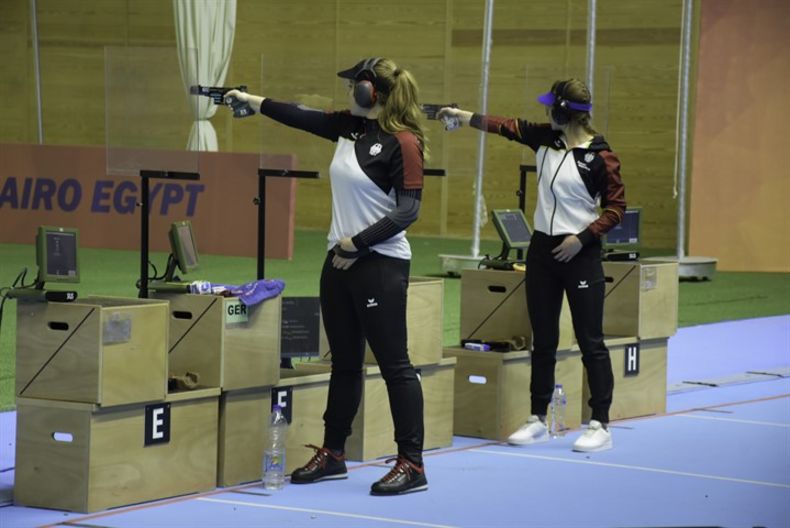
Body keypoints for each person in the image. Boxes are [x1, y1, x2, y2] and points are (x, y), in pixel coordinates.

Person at [224, 57, 428, 494]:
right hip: (340, 262)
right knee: (344, 364)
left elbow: (409, 209)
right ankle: (334, 453)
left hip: (380, 263)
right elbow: (300, 114)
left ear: (371, 92)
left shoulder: (404, 142)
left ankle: (412, 463)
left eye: (353, 85)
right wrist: (250, 100)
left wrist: (358, 244)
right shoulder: (350, 128)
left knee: (396, 366)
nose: (347, 93)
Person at [438, 78, 625, 452]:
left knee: (591, 341)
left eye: (549, 107)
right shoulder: (545, 138)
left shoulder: (600, 158)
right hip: (542, 251)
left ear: (563, 113)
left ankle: (600, 423)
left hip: (580, 254)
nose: (544, 113)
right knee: (543, 339)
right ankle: (537, 417)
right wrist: (462, 116)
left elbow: (616, 208)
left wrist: (583, 239)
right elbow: (505, 126)